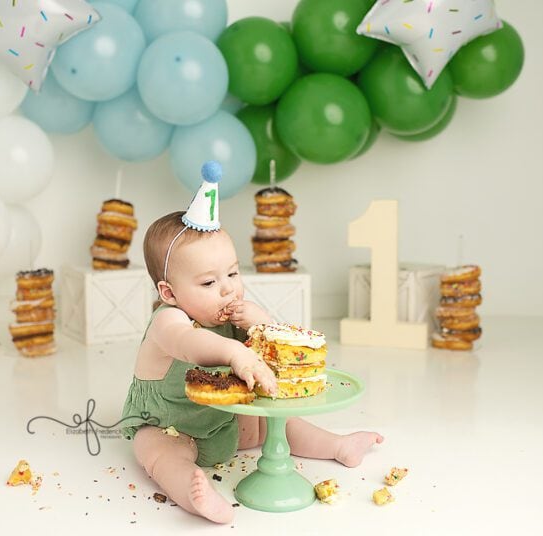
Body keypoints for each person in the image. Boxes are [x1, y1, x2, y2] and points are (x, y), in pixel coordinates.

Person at [120, 162, 383, 524]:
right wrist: (234, 352)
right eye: (209, 283)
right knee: (158, 451)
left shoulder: (232, 315)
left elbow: (270, 354)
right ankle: (193, 493)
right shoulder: (169, 321)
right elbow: (190, 345)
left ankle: (338, 446)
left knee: (278, 424)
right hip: (171, 426)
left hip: (226, 423)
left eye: (232, 272)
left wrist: (262, 324)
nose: (228, 288)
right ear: (169, 292)